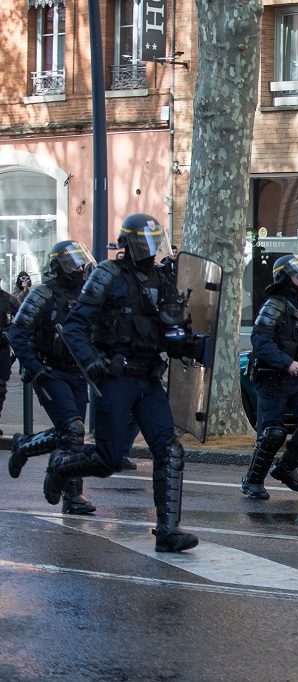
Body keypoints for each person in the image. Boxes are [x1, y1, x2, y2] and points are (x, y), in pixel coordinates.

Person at [56, 214, 209, 552]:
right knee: (109, 458)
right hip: (116, 377)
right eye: (145, 242)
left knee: (169, 450)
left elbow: (171, 331)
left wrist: (190, 343)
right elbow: (75, 328)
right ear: (128, 244)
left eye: (156, 241)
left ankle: (168, 531)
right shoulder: (106, 276)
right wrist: (94, 363)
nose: (152, 250)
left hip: (149, 377)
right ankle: (61, 466)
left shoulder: (164, 279)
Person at [7, 241, 97, 514]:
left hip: (77, 372)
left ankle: (24, 446)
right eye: (73, 263)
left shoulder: (87, 295)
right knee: (72, 430)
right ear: (59, 266)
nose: (80, 268)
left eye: (81, 262)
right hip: (50, 371)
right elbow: (18, 333)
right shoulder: (42, 295)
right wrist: (35, 367)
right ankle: (72, 497)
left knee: (71, 435)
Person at [241, 254, 298, 500]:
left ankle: (286, 468)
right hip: (272, 378)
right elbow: (260, 341)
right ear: (284, 278)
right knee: (272, 433)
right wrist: (286, 362)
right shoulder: (273, 305)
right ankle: (253, 481)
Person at [0, 279, 19, 435]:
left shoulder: (9, 299)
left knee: (0, 388)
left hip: (2, 348)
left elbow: (22, 321)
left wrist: (9, 334)